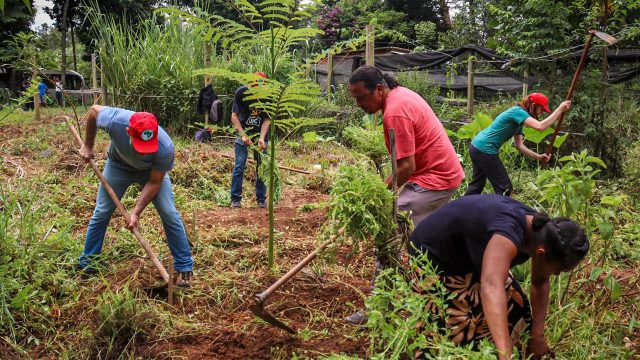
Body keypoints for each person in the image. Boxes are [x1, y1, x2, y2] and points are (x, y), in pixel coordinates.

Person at [346, 65, 465, 324]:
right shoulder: (401, 96)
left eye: (360, 98)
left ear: (379, 89)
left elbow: (406, 167)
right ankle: (434, 297)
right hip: (439, 175)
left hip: (434, 179)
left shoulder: (396, 111)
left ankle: (378, 307)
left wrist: (377, 193)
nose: (358, 104)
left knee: (389, 235)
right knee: (418, 240)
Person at [409, 194, 589, 359]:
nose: (555, 274)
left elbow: (540, 282)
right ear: (541, 253)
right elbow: (491, 285)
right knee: (458, 332)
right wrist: (504, 354)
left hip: (474, 261)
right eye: (557, 270)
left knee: (518, 310)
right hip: (434, 260)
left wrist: (537, 335)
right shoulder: (508, 233)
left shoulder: (541, 233)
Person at [78, 105, 194, 287]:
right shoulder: (115, 120)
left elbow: (155, 182)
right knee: (102, 211)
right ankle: (88, 263)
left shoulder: (165, 149)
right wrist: (88, 145)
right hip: (118, 165)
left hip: (151, 172)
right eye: (140, 145)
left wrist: (136, 212)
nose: (144, 151)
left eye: (148, 146)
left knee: (169, 212)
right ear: (128, 132)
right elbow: (93, 111)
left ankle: (184, 267)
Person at [464, 93, 571, 196]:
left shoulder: (519, 120)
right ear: (533, 105)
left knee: (477, 186)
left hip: (477, 147)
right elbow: (540, 126)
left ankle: (460, 212)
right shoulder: (518, 112)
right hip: (485, 149)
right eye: (541, 109)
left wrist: (538, 157)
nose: (542, 112)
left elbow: (519, 146)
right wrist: (560, 109)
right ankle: (501, 213)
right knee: (505, 188)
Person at [230, 72, 270, 209]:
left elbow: (267, 119)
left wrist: (262, 138)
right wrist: (243, 135)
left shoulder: (268, 95)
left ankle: (261, 199)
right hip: (244, 132)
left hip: (261, 135)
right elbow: (234, 116)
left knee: (262, 167)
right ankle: (235, 199)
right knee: (239, 165)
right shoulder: (241, 93)